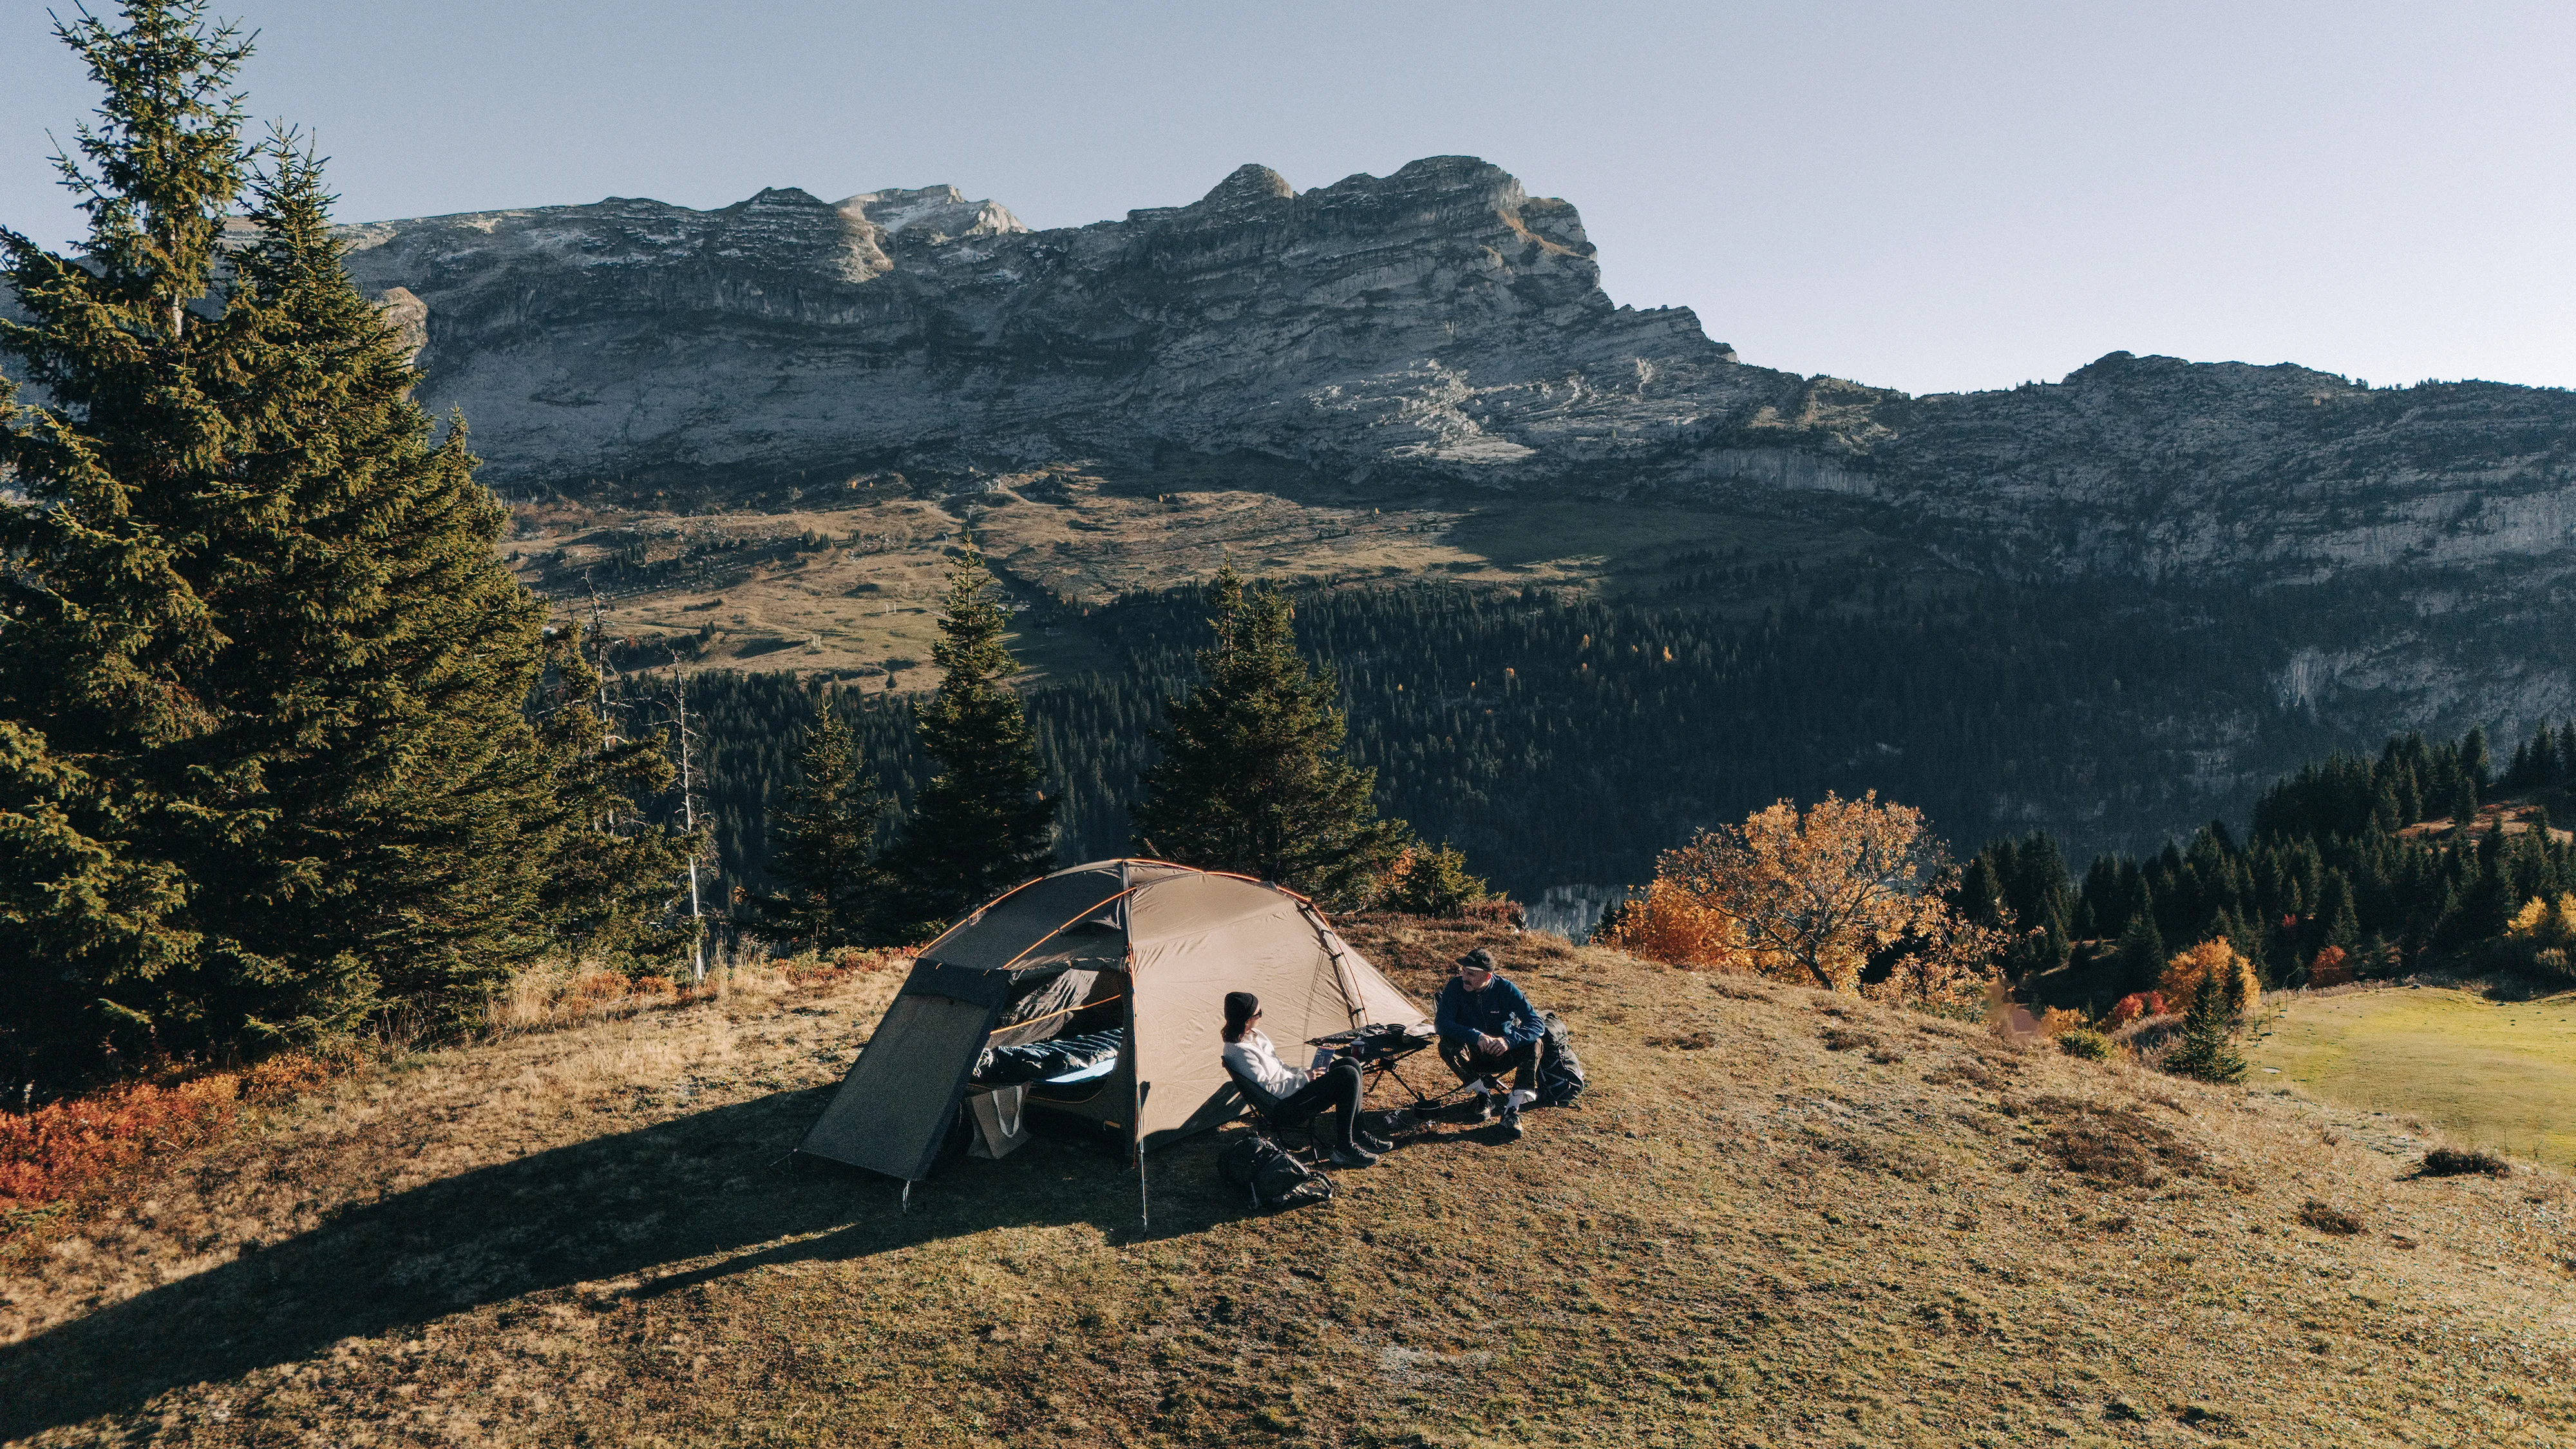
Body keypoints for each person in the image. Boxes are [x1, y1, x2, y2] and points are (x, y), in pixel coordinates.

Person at [1220, 992, 1393, 1168]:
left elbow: (1281, 1067)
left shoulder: (1255, 1036)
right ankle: (1344, 1149)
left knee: (1351, 1063)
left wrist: (1307, 1073)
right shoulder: (1240, 1052)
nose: (1261, 1017)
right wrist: (1304, 1079)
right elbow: (1270, 1091)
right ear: (1246, 1020)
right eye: (1258, 1014)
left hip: (1292, 1090)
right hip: (1286, 1106)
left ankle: (1359, 1134)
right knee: (1347, 1075)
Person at [1434, 947, 1544, 1140]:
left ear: (1487, 976)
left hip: (1504, 1053)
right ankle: (1483, 1096)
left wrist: (1508, 1041)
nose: (1464, 977)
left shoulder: (1506, 989)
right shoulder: (1455, 987)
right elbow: (1442, 1024)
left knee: (1535, 1044)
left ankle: (1512, 1110)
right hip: (1472, 1053)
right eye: (1463, 971)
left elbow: (1536, 1023)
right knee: (1446, 1045)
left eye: (1471, 974)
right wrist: (1475, 1036)